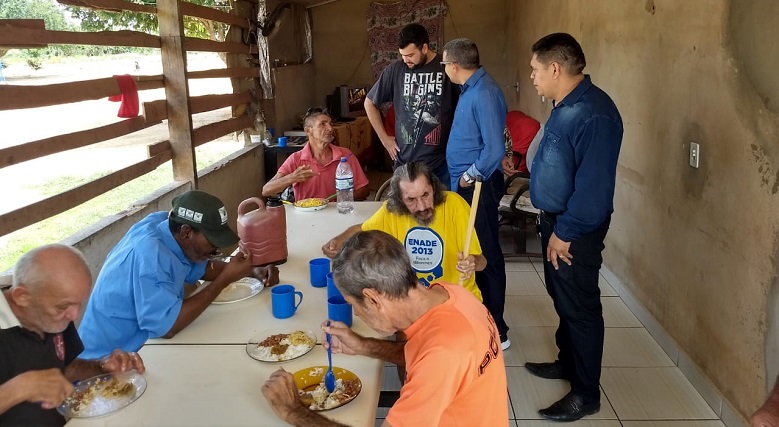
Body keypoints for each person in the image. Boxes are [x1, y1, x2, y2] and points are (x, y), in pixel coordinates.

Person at [262, 230, 508, 427]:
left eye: (352, 304)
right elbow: (421, 354)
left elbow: (435, 359)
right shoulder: (449, 293)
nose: (356, 313)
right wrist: (363, 345)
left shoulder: (444, 353)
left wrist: (293, 411)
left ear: (372, 298)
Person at [524, 33, 623, 422]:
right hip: (555, 223)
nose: (531, 77)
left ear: (554, 68)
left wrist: (564, 233)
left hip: (573, 231)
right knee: (562, 299)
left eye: (534, 69)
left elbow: (594, 190)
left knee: (580, 308)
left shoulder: (594, 114)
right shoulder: (564, 105)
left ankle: (586, 393)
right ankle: (568, 363)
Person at [78, 190, 279, 358]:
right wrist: (225, 279)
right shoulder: (151, 255)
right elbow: (168, 327)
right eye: (211, 242)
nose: (215, 249)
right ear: (185, 232)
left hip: (142, 348)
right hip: (108, 362)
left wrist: (251, 271)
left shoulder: (166, 227)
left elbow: (200, 266)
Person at [0, 244, 145, 426]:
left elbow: (65, 369)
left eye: (78, 304)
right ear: (22, 297)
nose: (74, 316)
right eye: (63, 306)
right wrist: (17, 389)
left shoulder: (55, 312)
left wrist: (101, 366)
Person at [321, 161, 486, 301]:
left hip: (455, 299)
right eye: (411, 200)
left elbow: (482, 263)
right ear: (399, 199)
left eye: (425, 194)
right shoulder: (392, 211)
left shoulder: (455, 205)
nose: (421, 206)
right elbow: (361, 230)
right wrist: (338, 240)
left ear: (434, 189)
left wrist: (472, 263)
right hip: (412, 300)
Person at [441, 38, 510, 350]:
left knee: (487, 253)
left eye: (444, 65)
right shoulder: (471, 88)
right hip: (467, 184)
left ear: (455, 66)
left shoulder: (484, 92)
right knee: (473, 248)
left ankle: (498, 327)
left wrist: (469, 175)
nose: (444, 70)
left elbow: (494, 149)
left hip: (478, 184)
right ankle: (479, 312)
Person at [365, 23, 459, 188]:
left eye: (410, 54)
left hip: (441, 163)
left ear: (424, 48)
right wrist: (384, 139)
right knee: (406, 212)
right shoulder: (395, 70)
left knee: (442, 211)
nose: (405, 59)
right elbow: (370, 103)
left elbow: (463, 109)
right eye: (402, 55)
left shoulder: (446, 68)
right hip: (405, 165)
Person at [262, 107, 370, 201]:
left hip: (338, 213)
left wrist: (342, 198)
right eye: (322, 124)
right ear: (308, 131)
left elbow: (364, 189)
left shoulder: (345, 155)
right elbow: (266, 190)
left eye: (330, 124)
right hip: (307, 218)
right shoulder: (296, 159)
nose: (330, 129)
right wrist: (292, 178)